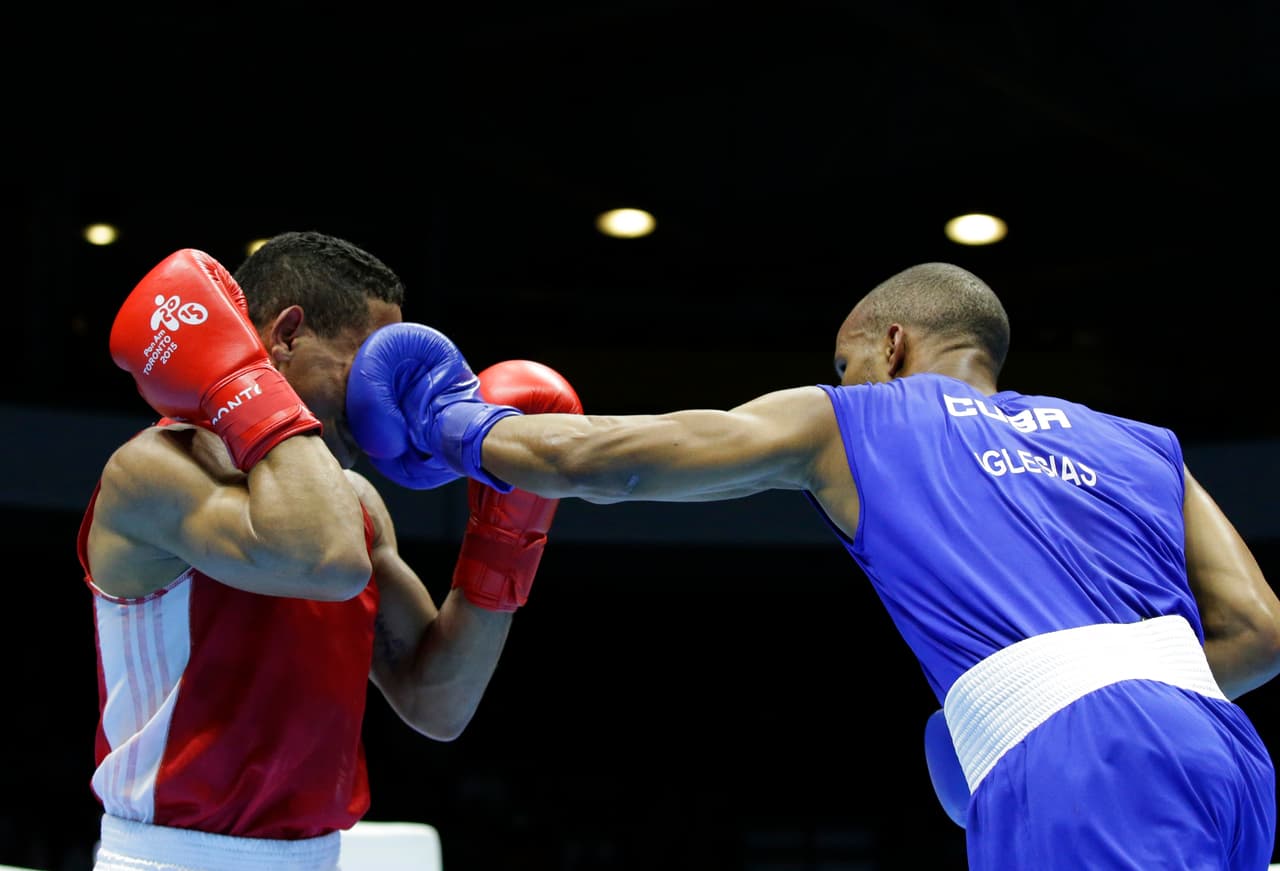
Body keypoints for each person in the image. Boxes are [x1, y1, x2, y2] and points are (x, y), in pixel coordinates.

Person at [348, 262, 1280, 869]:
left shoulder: (857, 417)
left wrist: (454, 423)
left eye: (846, 362)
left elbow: (610, 460)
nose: (844, 381)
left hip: (1084, 767)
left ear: (892, 346)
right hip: (1227, 755)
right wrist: (1020, 706)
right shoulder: (1141, 443)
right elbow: (1261, 632)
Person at [78, 231, 582, 871]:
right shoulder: (154, 469)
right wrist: (254, 390)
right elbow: (326, 562)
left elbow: (437, 703)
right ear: (287, 336)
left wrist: (506, 534)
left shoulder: (354, 504)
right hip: (175, 858)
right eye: (369, 365)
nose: (382, 400)